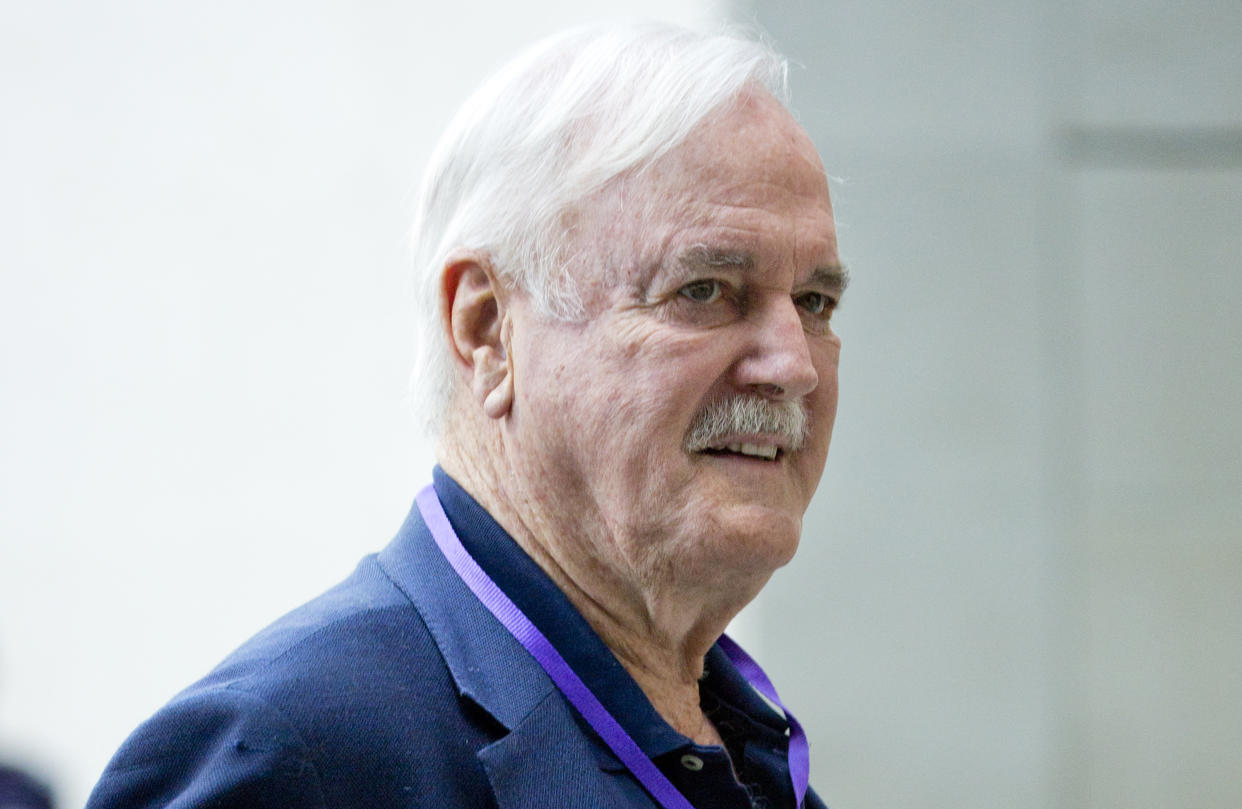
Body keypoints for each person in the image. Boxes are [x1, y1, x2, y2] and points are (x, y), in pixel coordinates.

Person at [86, 21, 847, 809]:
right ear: (486, 330)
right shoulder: (292, 760)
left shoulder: (750, 760)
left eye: (815, 302)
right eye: (705, 289)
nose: (793, 365)